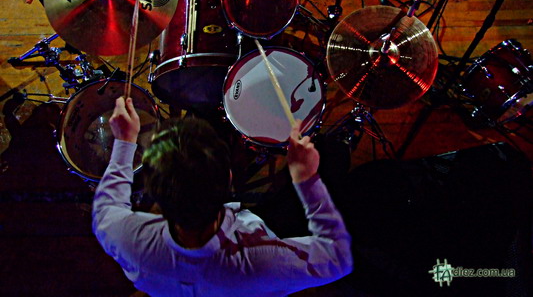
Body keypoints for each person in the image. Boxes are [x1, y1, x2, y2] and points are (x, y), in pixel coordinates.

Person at [92, 97, 353, 296]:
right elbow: (339, 259)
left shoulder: (127, 238)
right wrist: (306, 179)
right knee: (333, 156)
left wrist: (124, 143)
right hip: (254, 259)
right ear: (229, 179)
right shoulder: (262, 261)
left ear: (155, 195)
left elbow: (106, 206)